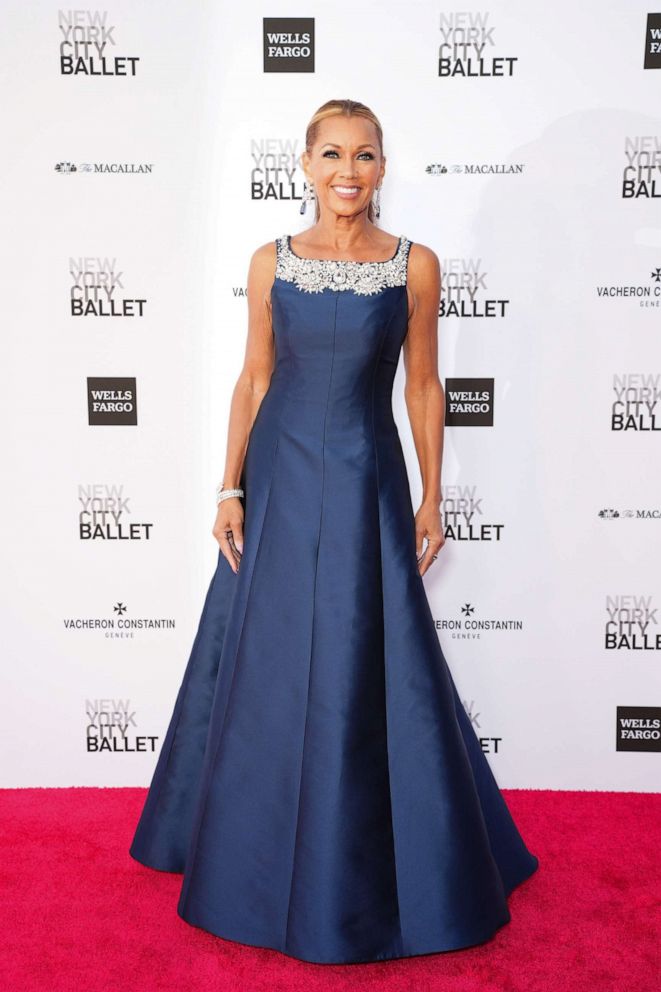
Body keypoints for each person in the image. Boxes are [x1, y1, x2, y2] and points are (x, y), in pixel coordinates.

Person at [129, 97, 539, 965]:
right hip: (278, 477)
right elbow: (252, 379)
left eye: (363, 155)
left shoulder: (413, 265)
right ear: (305, 164)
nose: (346, 171)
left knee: (367, 652)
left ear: (383, 166)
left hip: (363, 476)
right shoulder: (270, 262)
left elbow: (422, 389)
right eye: (330, 154)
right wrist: (229, 485)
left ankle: (380, 854)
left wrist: (432, 499)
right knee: (265, 649)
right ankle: (250, 842)